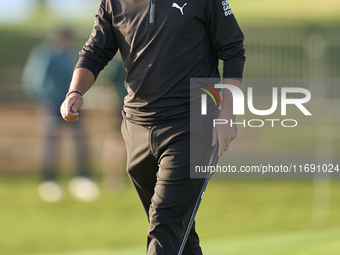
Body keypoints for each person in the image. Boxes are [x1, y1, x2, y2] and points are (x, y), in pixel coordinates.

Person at [60, 0, 245, 253]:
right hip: (136, 129)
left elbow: (232, 48)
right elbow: (95, 51)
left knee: (164, 223)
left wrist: (227, 114)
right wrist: (75, 91)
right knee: (177, 230)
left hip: (192, 125)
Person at [22, 29, 99, 203]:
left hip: (72, 104)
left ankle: (82, 177)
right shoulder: (45, 54)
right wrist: (49, 100)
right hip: (52, 105)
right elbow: (35, 80)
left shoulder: (71, 55)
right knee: (51, 143)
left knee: (80, 141)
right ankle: (49, 179)